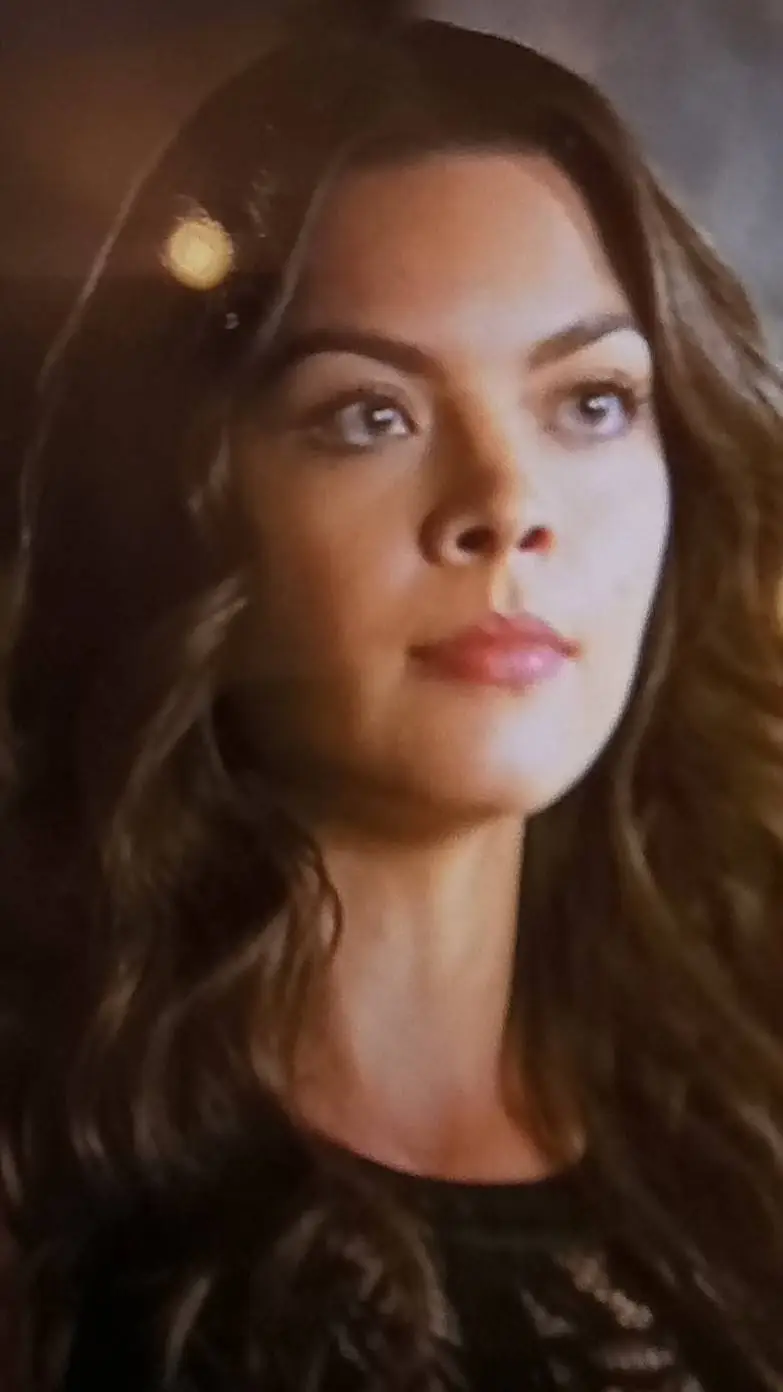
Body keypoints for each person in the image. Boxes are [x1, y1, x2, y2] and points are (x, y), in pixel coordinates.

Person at [2, 4, 783, 1389]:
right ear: (189, 508)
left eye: (590, 402)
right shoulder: (44, 1204)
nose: (506, 504)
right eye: (370, 415)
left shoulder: (747, 1122)